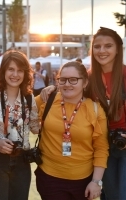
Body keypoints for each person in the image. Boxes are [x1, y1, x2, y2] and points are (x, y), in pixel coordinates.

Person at [41, 27, 125, 200]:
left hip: (123, 145)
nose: (102, 51)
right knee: (109, 195)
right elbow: (71, 87)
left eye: (108, 46)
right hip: (101, 144)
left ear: (118, 49)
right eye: (97, 46)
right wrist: (53, 88)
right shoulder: (89, 77)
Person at [35, 61, 109, 200]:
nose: (67, 84)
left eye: (73, 80)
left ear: (85, 82)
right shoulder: (47, 99)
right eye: (62, 80)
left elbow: (101, 148)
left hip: (83, 181)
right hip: (49, 178)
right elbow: (19, 106)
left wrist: (96, 182)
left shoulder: (95, 109)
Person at [0, 50, 40, 200]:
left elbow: (36, 128)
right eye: (11, 69)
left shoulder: (29, 99)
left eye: (20, 70)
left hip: (22, 162)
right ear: (3, 71)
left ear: (26, 73)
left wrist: (52, 91)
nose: (15, 74)